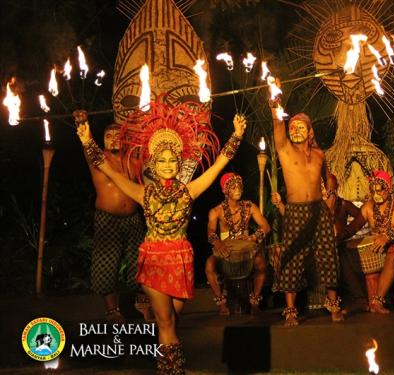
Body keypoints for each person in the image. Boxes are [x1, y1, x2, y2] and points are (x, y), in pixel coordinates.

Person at [75, 101, 245, 375]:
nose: (167, 165)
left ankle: (164, 365)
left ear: (179, 163)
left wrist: (236, 135)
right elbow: (105, 168)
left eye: (172, 160)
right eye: (162, 160)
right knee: (165, 322)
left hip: (181, 260)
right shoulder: (143, 193)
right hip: (154, 259)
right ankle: (173, 370)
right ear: (154, 163)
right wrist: (87, 140)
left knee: (171, 322)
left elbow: (218, 165)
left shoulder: (189, 190)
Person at [270, 108, 343, 326]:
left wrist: (330, 196)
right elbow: (278, 128)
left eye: (300, 126)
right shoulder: (284, 150)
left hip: (319, 210)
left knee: (327, 255)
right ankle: (291, 310)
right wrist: (275, 107)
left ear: (310, 132)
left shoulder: (320, 154)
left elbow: (328, 177)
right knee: (292, 258)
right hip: (296, 211)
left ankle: (334, 306)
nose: (295, 130)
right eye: (292, 127)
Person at [77, 119, 150, 323]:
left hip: (133, 218)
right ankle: (112, 311)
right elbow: (87, 144)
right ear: (103, 141)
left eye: (118, 135)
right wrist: (83, 126)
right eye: (108, 136)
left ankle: (140, 307)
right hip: (107, 219)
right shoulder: (99, 159)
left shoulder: (134, 160)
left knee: (140, 263)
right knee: (106, 265)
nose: (113, 139)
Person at [272, 174, 367, 310]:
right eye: (322, 187)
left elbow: (362, 216)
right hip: (310, 245)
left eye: (329, 188)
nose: (326, 190)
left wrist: (346, 232)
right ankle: (291, 309)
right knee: (291, 258)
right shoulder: (309, 204)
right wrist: (280, 204)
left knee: (337, 256)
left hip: (334, 244)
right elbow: (291, 217)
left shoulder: (342, 203)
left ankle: (342, 302)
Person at [205, 172, 271, 315]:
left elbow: (266, 226)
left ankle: (254, 301)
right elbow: (210, 231)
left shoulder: (249, 207)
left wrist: (253, 238)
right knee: (209, 265)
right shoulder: (217, 211)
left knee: (261, 264)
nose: (238, 190)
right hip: (225, 252)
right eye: (233, 187)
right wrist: (218, 243)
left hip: (247, 252)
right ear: (225, 190)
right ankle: (221, 303)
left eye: (239, 186)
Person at [359, 170, 394, 314]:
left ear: (388, 189)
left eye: (379, 190)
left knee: (392, 254)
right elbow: (353, 227)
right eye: (373, 191)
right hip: (378, 246)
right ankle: (358, 300)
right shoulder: (368, 207)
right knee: (350, 253)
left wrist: (386, 237)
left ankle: (378, 301)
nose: (376, 194)